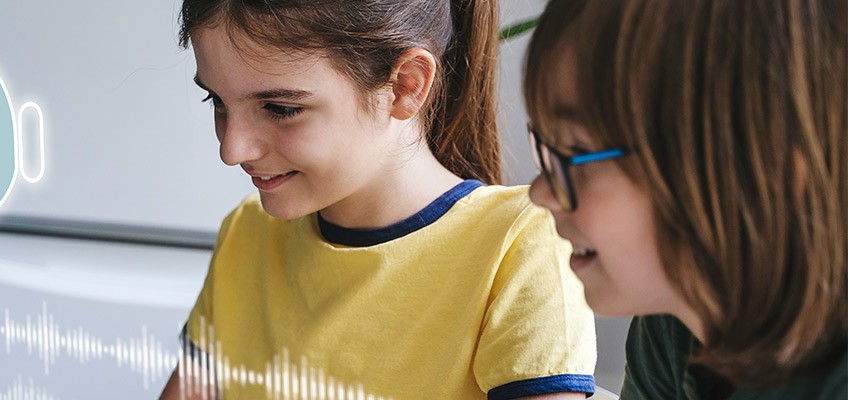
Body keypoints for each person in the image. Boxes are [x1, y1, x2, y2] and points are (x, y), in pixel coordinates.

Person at [159, 1, 597, 399]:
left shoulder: (519, 244)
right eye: (217, 101)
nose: (232, 149)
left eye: (280, 108)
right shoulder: (247, 233)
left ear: (405, 86)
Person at [521, 0, 847, 399]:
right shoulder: (674, 325)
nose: (539, 192)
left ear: (763, 171)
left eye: (578, 151)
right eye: (548, 148)